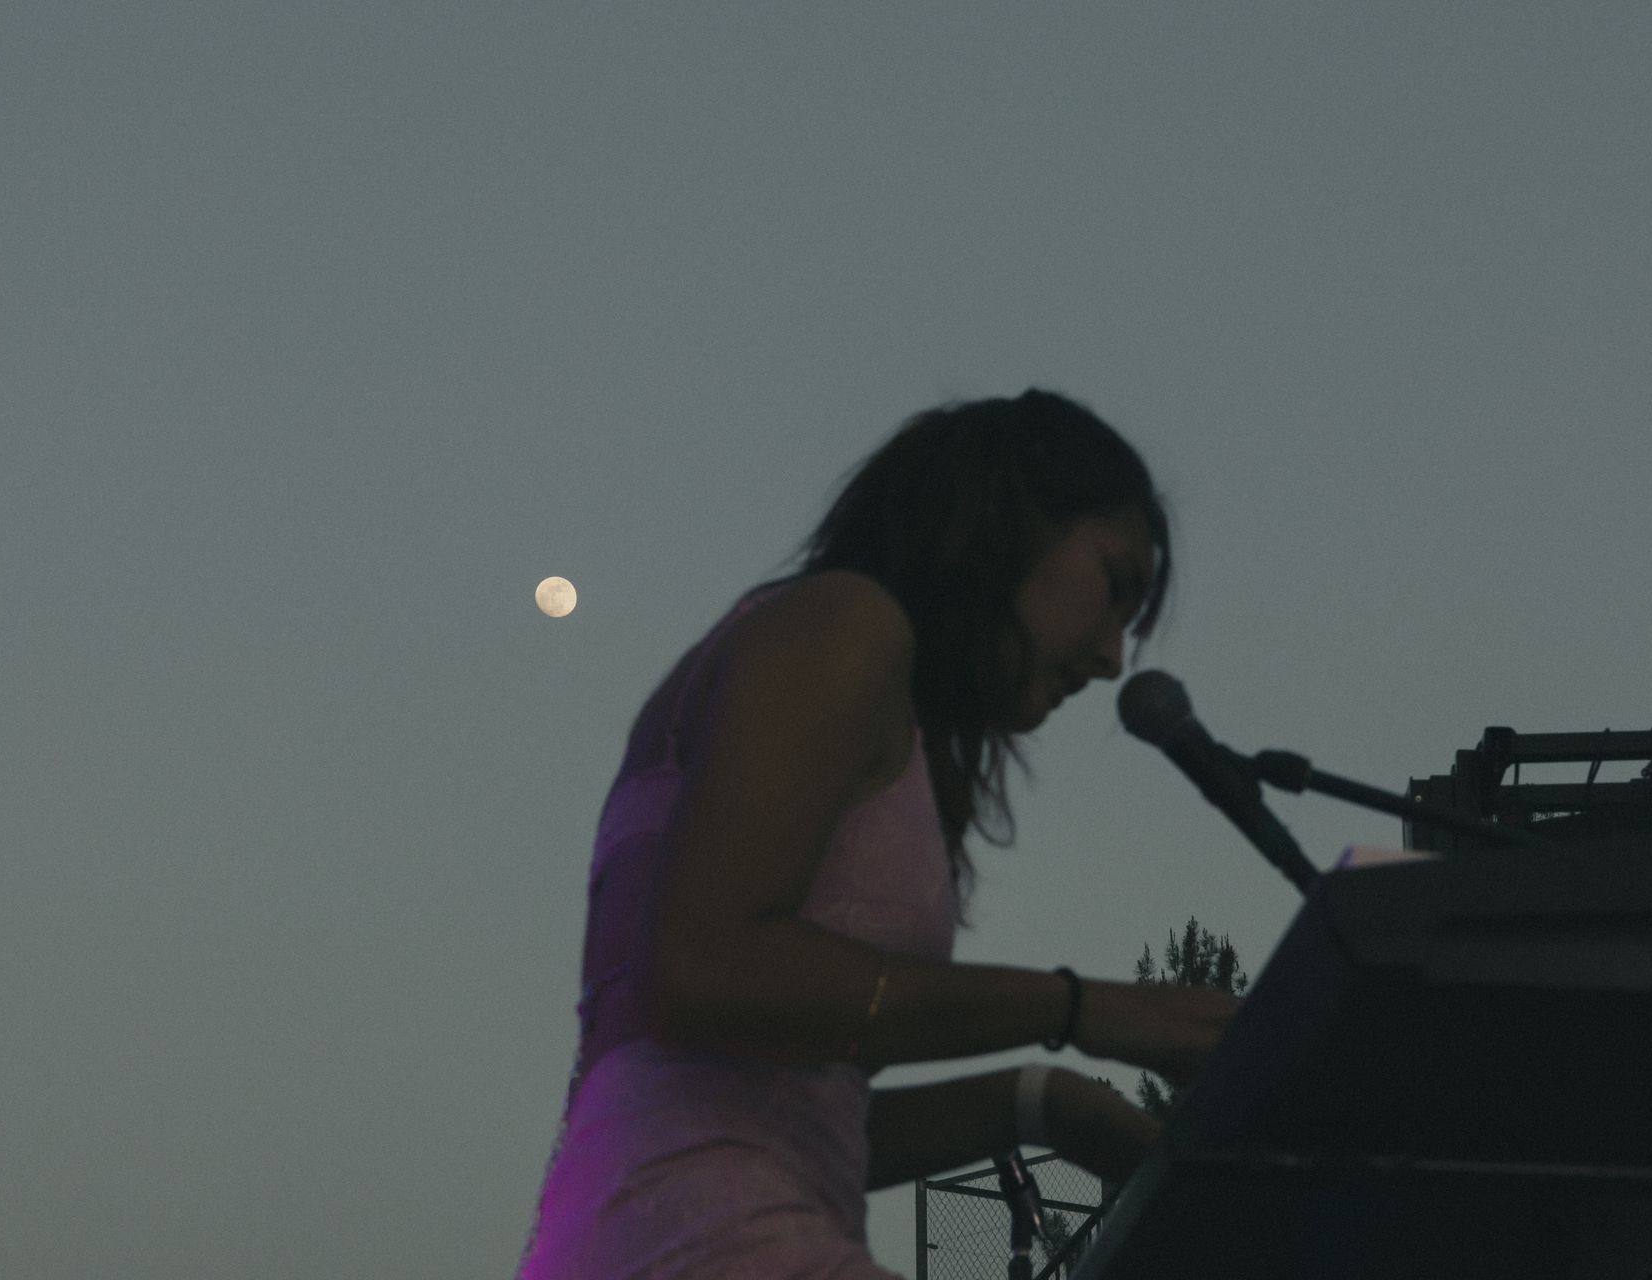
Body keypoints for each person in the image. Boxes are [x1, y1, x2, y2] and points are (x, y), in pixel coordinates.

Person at [518, 389, 1240, 1278]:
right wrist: (1082, 1010)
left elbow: (781, 1115)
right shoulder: (841, 625)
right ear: (1001, 522)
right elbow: (704, 970)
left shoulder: (858, 686)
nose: (1112, 656)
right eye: (1113, 586)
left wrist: (1041, 1103)